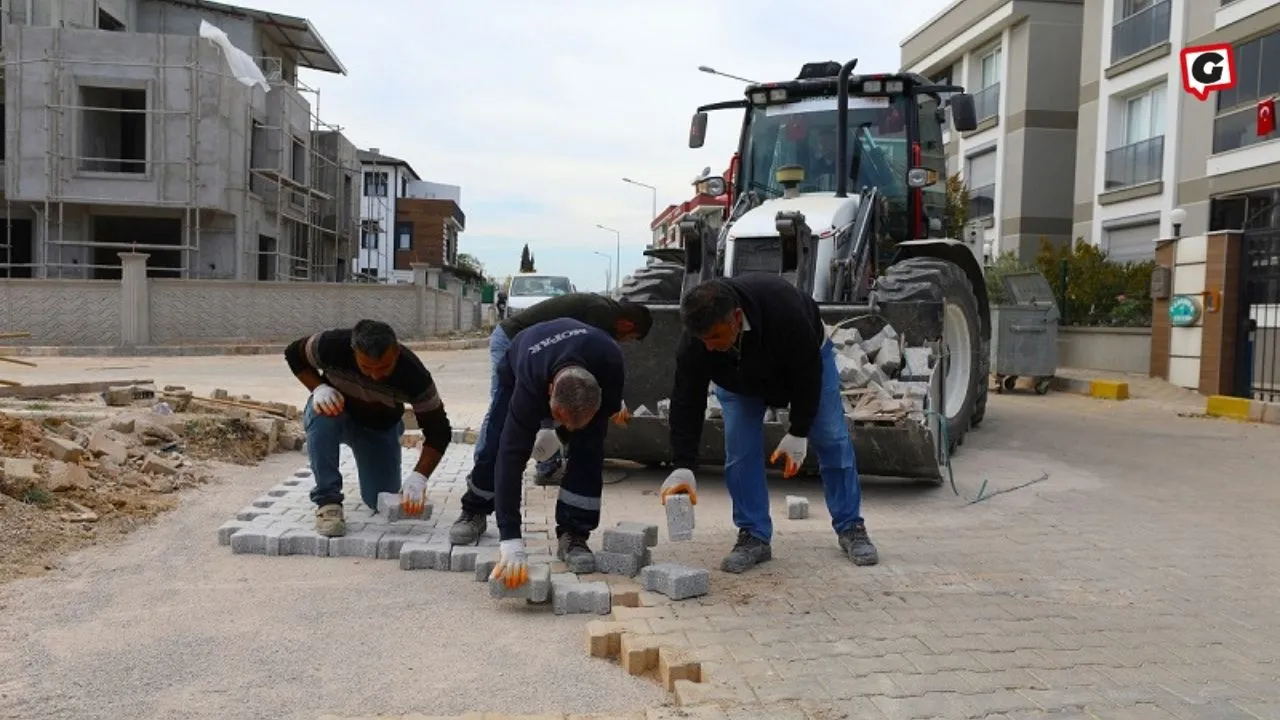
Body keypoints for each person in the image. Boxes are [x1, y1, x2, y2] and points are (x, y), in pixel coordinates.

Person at [658, 275, 879, 573]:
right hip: (737, 381)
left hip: (805, 361)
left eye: (716, 337)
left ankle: (851, 526)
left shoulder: (783, 310)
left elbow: (807, 373)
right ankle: (754, 535)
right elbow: (687, 400)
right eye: (703, 340)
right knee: (740, 449)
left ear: (736, 318)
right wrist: (682, 463)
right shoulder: (697, 343)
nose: (709, 347)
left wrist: (799, 430)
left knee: (830, 437)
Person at [452, 318, 625, 584]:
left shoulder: (611, 363)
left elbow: (607, 410)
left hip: (588, 359)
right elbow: (512, 458)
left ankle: (574, 534)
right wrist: (510, 539)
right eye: (560, 419)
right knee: (498, 443)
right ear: (549, 394)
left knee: (589, 449)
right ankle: (475, 507)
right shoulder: (530, 385)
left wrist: (561, 435)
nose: (565, 426)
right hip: (522, 361)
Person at [284, 319, 452, 538]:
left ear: (396, 352)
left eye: (384, 367)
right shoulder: (330, 345)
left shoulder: (415, 377)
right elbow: (293, 353)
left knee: (378, 498)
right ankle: (328, 501)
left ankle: (393, 432)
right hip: (337, 413)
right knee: (321, 413)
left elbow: (439, 430)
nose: (375, 375)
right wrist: (319, 387)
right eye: (366, 367)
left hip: (377, 427)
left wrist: (420, 476)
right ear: (353, 352)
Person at [475, 293, 651, 485]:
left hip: (533, 346)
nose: (625, 342)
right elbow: (593, 368)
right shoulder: (601, 315)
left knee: (555, 398)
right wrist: (615, 403)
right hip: (512, 339)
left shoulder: (603, 309)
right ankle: (482, 471)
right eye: (630, 338)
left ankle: (546, 467)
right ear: (627, 325)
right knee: (502, 408)